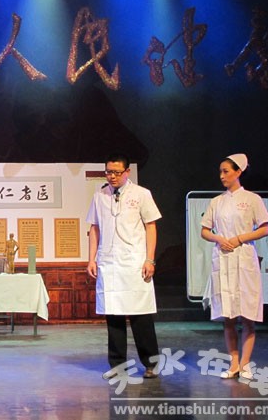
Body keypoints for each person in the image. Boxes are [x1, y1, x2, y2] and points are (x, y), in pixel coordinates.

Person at [86, 153, 161, 380]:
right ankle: (117, 364)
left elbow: (151, 227)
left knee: (141, 316)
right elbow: (94, 228)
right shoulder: (99, 196)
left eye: (117, 172)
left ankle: (151, 363)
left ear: (127, 172)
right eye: (109, 172)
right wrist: (91, 259)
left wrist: (150, 259)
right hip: (109, 263)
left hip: (134, 262)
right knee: (113, 316)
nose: (112, 176)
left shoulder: (141, 194)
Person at [200, 153, 268, 380]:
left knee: (247, 314)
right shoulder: (216, 201)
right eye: (220, 172)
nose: (222, 176)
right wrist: (219, 239)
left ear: (238, 172)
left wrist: (240, 238)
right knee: (228, 315)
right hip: (223, 257)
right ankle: (233, 364)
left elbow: (265, 228)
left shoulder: (252, 199)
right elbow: (204, 230)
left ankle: (246, 364)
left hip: (244, 257)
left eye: (226, 171)